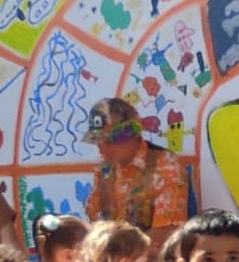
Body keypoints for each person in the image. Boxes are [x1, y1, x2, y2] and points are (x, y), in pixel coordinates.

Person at [83, 96, 193, 246]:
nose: (102, 150)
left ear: (129, 134)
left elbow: (167, 233)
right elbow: (94, 221)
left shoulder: (165, 167)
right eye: (98, 142)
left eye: (109, 141)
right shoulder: (104, 170)